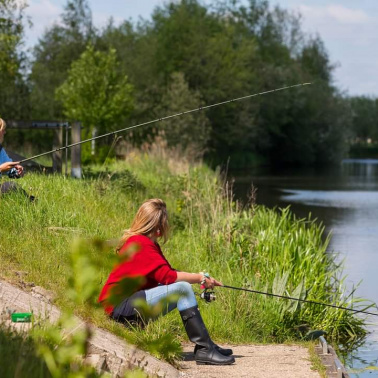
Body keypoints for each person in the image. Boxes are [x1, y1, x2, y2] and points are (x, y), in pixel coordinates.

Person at [98, 198, 235, 365]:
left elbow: (166, 275)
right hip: (119, 309)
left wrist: (201, 277)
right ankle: (205, 349)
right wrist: (200, 278)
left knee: (181, 287)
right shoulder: (140, 244)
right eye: (165, 222)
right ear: (158, 228)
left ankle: (206, 346)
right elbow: (169, 277)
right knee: (182, 289)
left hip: (124, 305)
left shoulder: (147, 244)